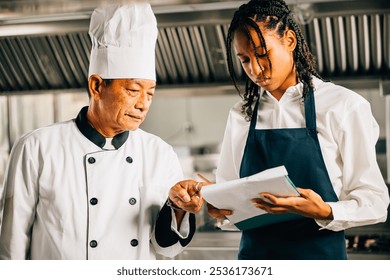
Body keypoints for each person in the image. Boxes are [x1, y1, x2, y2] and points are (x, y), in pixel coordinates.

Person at [0, 3, 204, 260]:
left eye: (150, 93)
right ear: (97, 86)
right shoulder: (37, 147)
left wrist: (178, 208)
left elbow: (165, 248)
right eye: (132, 90)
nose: (143, 104)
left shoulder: (159, 153)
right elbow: (11, 245)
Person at [207, 0, 389, 260]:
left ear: (290, 40)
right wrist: (218, 205)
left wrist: (325, 210)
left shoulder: (343, 106)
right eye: (245, 59)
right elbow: (230, 194)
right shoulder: (242, 114)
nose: (255, 69)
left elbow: (375, 201)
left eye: (262, 54)